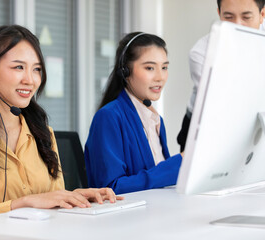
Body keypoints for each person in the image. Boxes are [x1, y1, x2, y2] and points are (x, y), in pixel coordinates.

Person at [0, 25, 122, 223]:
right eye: (18, 67)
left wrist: (75, 199)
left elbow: (51, 207)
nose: (30, 80)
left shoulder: (43, 134)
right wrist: (23, 203)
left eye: (37, 69)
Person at [84, 32, 183, 195]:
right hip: (125, 219)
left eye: (164, 67)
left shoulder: (156, 120)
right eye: (150, 68)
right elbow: (110, 188)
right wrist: (176, 166)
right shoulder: (109, 117)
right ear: (125, 71)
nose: (160, 77)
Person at [177, 0, 265, 151]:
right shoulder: (201, 53)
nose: (237, 25)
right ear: (219, 14)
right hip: (207, 123)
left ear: (262, 14)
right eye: (229, 17)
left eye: (246, 17)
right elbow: (225, 105)